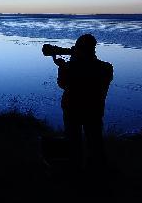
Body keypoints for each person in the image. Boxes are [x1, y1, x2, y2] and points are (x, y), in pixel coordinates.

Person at [42, 34, 113, 171]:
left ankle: (76, 171)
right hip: (95, 110)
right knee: (95, 142)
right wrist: (73, 62)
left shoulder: (72, 67)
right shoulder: (106, 68)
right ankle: (98, 172)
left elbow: (63, 84)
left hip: (72, 109)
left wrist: (63, 67)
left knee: (74, 142)